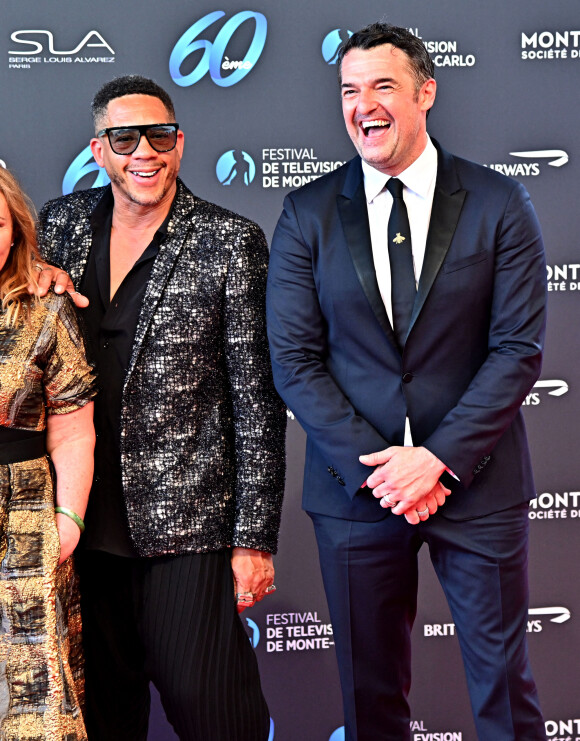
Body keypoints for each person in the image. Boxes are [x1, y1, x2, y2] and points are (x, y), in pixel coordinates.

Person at [267, 23, 547, 741]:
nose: (364, 105)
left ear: (426, 91)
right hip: (357, 492)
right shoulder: (307, 213)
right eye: (350, 90)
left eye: (382, 86)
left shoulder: (498, 203)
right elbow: (296, 360)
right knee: (370, 698)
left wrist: (438, 458)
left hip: (477, 482)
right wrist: (387, 473)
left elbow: (516, 349)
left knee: (504, 693)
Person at [37, 75, 286, 741]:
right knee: (102, 717)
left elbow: (256, 398)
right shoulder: (59, 224)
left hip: (189, 532)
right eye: (125, 137)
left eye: (161, 135)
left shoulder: (228, 240)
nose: (144, 151)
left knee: (217, 715)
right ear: (99, 149)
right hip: (80, 526)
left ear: (179, 143)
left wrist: (254, 537)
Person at [0, 167, 96, 740]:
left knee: (36, 690)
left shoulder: (44, 306)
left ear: (15, 230)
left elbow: (74, 427)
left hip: (28, 514)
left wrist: (68, 520)